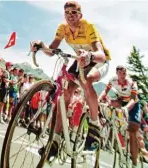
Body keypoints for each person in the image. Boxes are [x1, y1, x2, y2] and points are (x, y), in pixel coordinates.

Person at [30, 1, 111, 158]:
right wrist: (41, 45)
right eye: (67, 13)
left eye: (74, 13)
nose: (70, 16)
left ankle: (95, 126)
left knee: (86, 80)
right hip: (80, 59)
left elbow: (100, 54)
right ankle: (55, 140)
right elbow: (51, 51)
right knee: (65, 94)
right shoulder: (63, 28)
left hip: (98, 59)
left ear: (80, 15)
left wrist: (90, 56)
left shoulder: (88, 26)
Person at [98, 65, 147, 167]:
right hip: (121, 101)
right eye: (120, 73)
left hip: (133, 104)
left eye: (124, 73)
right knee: (108, 104)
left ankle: (134, 162)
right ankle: (112, 131)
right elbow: (105, 92)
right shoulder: (113, 80)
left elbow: (133, 99)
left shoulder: (131, 83)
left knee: (132, 131)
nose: (122, 76)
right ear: (117, 73)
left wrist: (126, 109)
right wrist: (98, 100)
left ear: (126, 73)